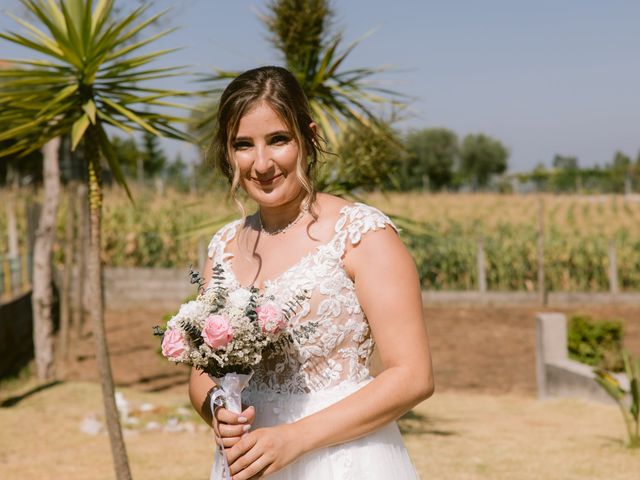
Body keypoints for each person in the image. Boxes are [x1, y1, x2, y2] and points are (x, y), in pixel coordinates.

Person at [189, 65, 434, 480]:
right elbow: (201, 371)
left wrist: (294, 439)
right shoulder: (223, 247)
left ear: (310, 137)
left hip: (345, 460)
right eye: (243, 144)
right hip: (249, 463)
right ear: (228, 153)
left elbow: (413, 376)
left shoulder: (361, 234)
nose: (262, 162)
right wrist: (215, 405)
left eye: (278, 140)